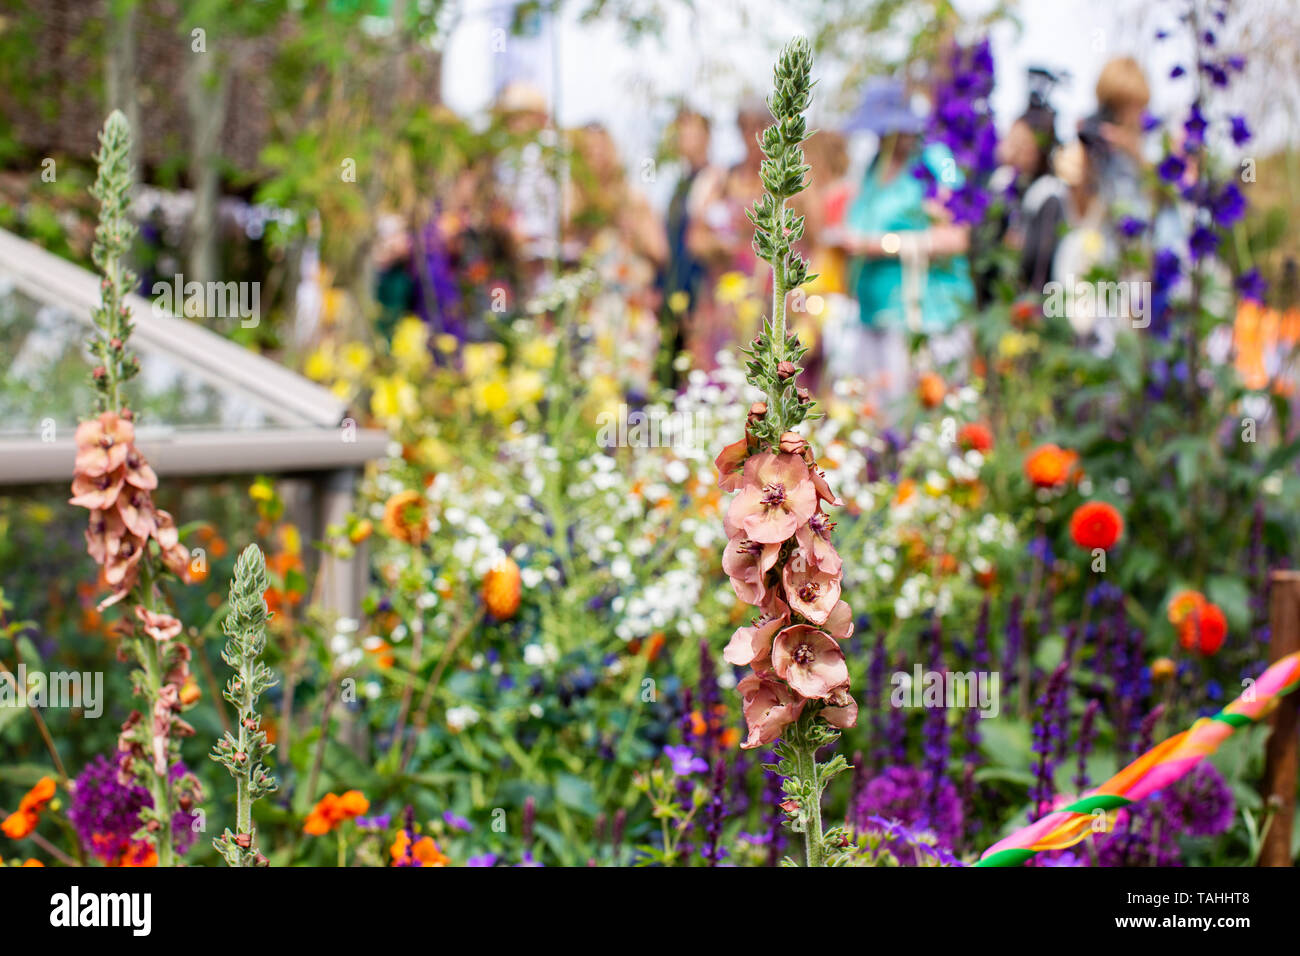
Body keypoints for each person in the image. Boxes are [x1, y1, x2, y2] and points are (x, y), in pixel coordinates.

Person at [829, 79, 974, 404]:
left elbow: (959, 235)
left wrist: (883, 245)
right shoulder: (872, 165)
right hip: (872, 316)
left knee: (921, 420)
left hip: (925, 319)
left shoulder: (939, 160)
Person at [656, 107, 714, 386]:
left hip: (697, 291)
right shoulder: (678, 185)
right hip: (672, 292)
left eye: (691, 132)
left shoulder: (714, 179)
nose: (684, 139)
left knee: (696, 374)